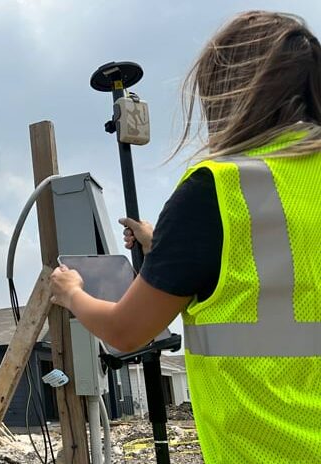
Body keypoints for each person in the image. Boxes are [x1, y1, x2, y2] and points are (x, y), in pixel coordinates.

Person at [48, 11, 321, 464]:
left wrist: (72, 292)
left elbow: (127, 331)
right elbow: (293, 273)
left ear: (228, 92)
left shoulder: (220, 188)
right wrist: (169, 251)